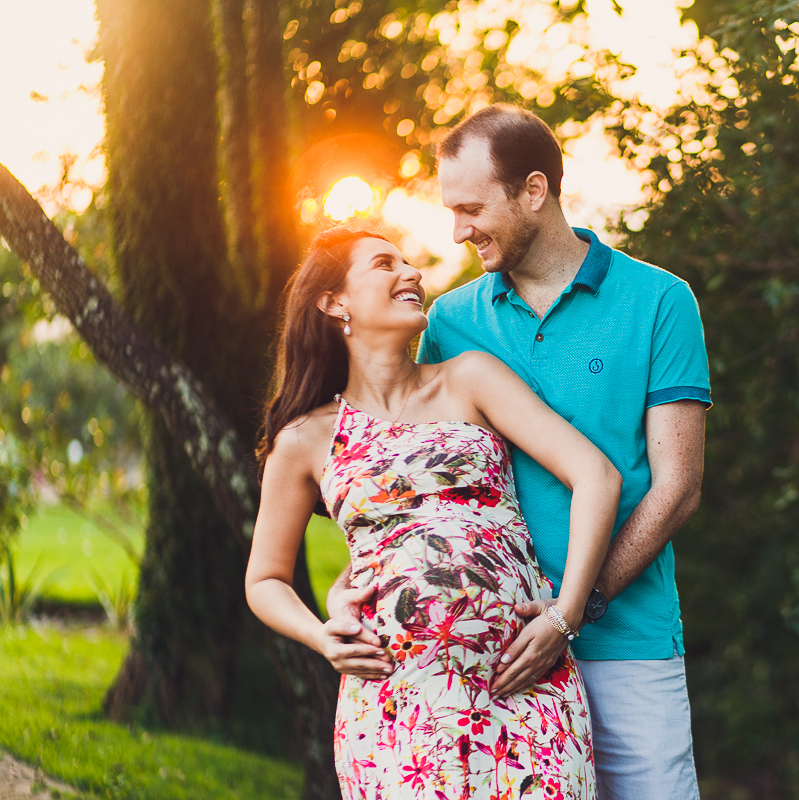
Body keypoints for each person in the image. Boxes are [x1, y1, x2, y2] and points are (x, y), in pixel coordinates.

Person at [327, 105, 711, 800]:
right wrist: (351, 587)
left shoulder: (660, 301)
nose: (458, 229)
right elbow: (411, 483)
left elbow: (677, 486)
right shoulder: (450, 320)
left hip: (627, 642)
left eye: (472, 207)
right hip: (493, 660)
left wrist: (573, 608)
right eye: (451, 210)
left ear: (534, 191)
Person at [245, 222, 622, 800]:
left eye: (409, 263)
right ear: (333, 300)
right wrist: (323, 636)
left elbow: (595, 475)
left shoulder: (468, 379)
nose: (411, 273)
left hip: (523, 692)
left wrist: (564, 616)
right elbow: (265, 579)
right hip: (397, 709)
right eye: (383, 264)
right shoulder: (306, 438)